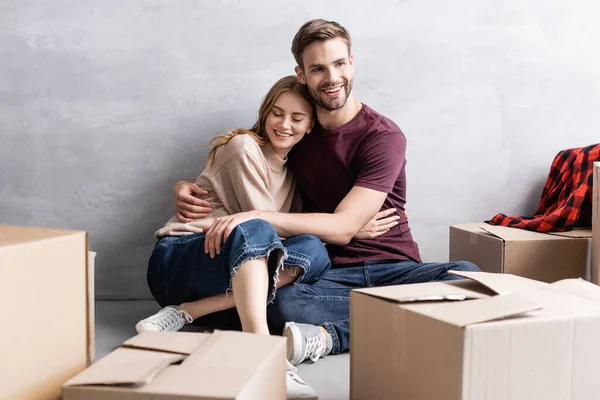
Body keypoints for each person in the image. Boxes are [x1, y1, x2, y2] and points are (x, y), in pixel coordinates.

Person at [173, 20, 480, 368]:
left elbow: (344, 226)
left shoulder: (383, 136)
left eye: (338, 64)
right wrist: (186, 185)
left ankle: (329, 337)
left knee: (471, 278)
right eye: (318, 68)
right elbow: (248, 155)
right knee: (282, 303)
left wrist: (259, 216)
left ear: (352, 63)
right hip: (327, 275)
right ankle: (407, 314)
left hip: (394, 269)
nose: (332, 77)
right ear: (301, 74)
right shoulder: (298, 131)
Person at [138, 75, 397, 400]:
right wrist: (350, 228)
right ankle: (263, 357)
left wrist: (343, 226)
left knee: (315, 247)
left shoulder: (294, 173)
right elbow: (265, 227)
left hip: (228, 280)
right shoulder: (244, 148)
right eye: (277, 113)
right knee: (260, 228)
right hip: (179, 259)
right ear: (265, 113)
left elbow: (289, 239)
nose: (284, 124)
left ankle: (191, 311)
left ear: (309, 127)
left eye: (297, 118)